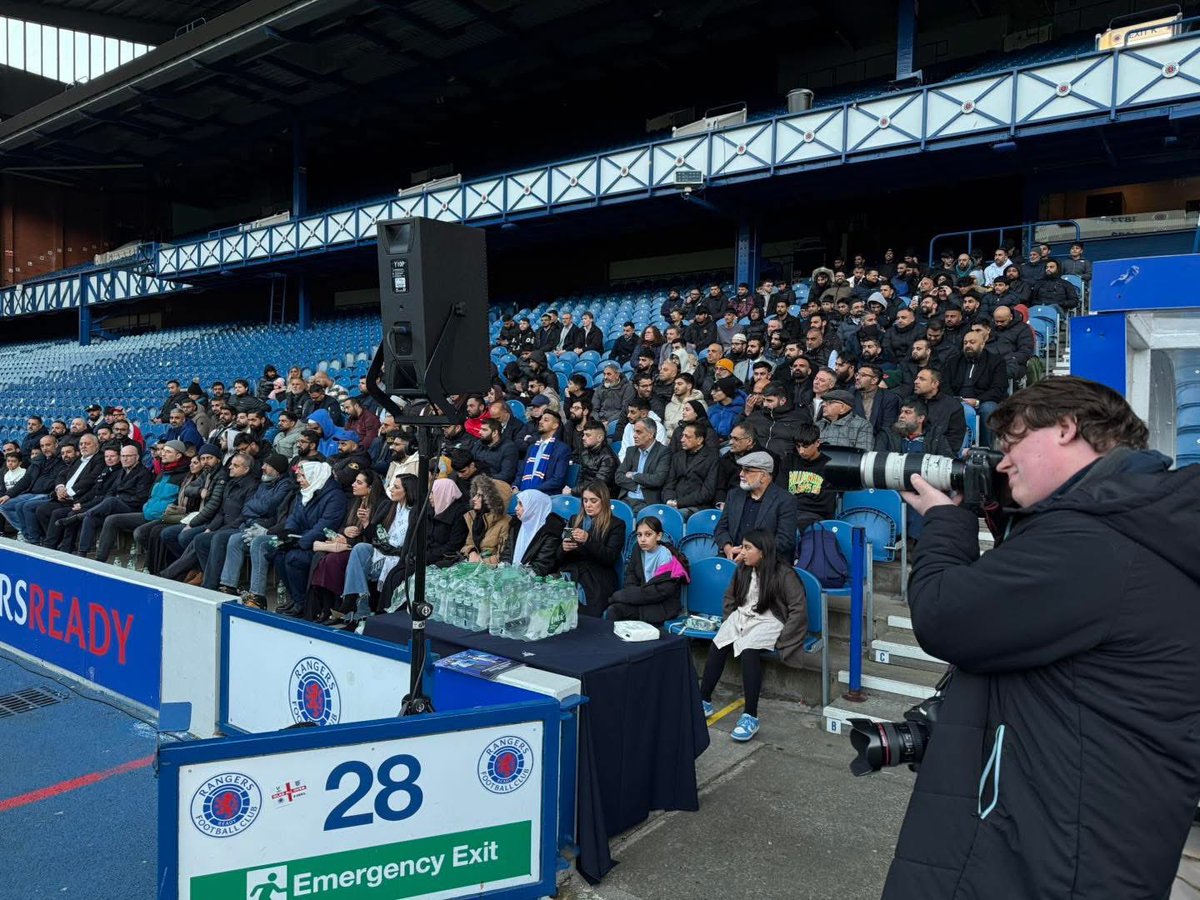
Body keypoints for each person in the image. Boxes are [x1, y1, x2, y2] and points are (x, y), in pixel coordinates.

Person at [884, 377, 1200, 900]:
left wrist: (945, 524)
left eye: (1012, 447)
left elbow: (945, 616)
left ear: (1066, 428)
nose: (1002, 465)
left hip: (1049, 855)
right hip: (1081, 833)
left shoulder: (1094, 541)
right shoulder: (1128, 521)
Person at [699, 528, 809, 741]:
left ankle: (751, 716)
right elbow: (730, 597)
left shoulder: (784, 573)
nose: (743, 551)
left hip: (769, 619)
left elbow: (798, 608)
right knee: (718, 644)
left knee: (749, 651)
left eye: (748, 548)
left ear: (763, 552)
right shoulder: (743, 568)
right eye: (743, 546)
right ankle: (703, 701)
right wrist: (729, 621)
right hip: (742, 615)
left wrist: (785, 638)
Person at [338, 474, 420, 627]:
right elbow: (373, 537)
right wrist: (366, 522)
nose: (391, 489)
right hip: (380, 552)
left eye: (396, 487)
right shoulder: (388, 506)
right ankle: (358, 603)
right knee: (360, 549)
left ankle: (353, 606)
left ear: (407, 491)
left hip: (399, 557)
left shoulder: (416, 513)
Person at [275, 461, 348, 617]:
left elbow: (325, 526)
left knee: (294, 558)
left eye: (302, 476)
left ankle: (303, 603)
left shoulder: (335, 496)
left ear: (314, 476)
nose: (299, 480)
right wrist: (288, 534)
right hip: (304, 538)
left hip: (320, 544)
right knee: (278, 554)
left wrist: (300, 542)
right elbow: (294, 517)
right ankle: (296, 599)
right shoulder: (307, 490)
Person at [557, 481, 626, 617]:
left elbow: (609, 558)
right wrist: (563, 548)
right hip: (572, 570)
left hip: (598, 577)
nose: (588, 505)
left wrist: (588, 540)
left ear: (604, 501)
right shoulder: (574, 519)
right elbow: (559, 558)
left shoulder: (616, 524)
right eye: (585, 500)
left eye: (593, 501)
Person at [713, 451, 797, 560]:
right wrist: (728, 548)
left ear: (763, 476)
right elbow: (721, 528)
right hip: (733, 557)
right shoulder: (734, 495)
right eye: (742, 469)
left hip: (767, 562)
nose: (741, 474)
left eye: (747, 470)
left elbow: (785, 541)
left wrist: (753, 554)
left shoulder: (785, 500)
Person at [606, 516, 689, 624]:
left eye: (648, 534)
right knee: (614, 610)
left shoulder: (666, 556)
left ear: (658, 536)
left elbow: (661, 591)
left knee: (621, 602)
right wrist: (630, 596)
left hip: (661, 605)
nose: (643, 539)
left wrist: (627, 596)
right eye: (639, 535)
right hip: (641, 598)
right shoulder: (637, 549)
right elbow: (630, 576)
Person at [785, 424, 837, 532]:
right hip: (788, 512)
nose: (801, 451)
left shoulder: (829, 466)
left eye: (805, 446)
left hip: (813, 516)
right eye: (798, 446)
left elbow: (826, 506)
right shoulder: (789, 460)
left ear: (817, 443)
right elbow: (780, 491)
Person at [501, 490, 566, 576]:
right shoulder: (516, 525)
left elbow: (541, 566)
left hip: (533, 582)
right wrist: (504, 568)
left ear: (533, 507)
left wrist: (517, 576)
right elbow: (507, 553)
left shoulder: (551, 532)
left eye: (521, 504)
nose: (516, 508)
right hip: (512, 577)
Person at [614, 418, 670, 512]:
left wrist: (634, 475)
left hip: (646, 502)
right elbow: (618, 476)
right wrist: (637, 486)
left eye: (639, 432)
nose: (634, 435)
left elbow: (657, 479)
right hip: (626, 499)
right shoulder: (631, 451)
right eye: (634, 432)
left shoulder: (663, 452)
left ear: (650, 435)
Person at [461, 475, 513, 564]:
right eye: (475, 494)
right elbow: (468, 543)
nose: (474, 499)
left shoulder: (506, 523)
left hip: (491, 570)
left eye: (479, 496)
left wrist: (481, 562)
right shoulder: (474, 517)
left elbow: (502, 556)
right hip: (473, 564)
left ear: (491, 500)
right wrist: (471, 551)